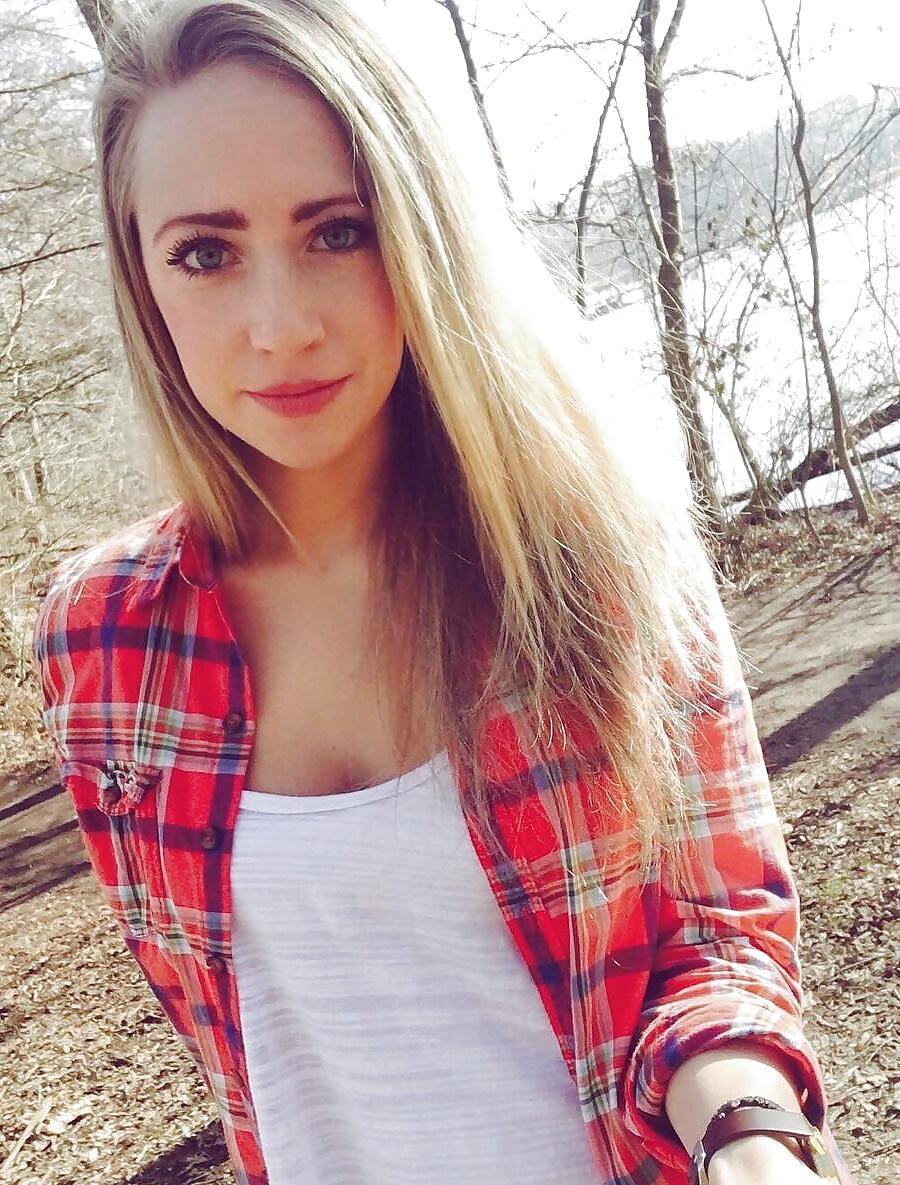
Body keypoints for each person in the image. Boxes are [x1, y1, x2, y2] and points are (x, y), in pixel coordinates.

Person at [31, 1, 854, 1183]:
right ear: (143, 280)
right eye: (206, 253)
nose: (281, 326)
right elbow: (236, 1038)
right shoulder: (102, 640)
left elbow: (715, 939)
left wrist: (751, 1139)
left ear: (420, 232)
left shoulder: (593, 563)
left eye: (339, 232)